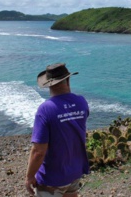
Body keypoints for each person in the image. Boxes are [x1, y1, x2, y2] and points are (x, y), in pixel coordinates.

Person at [26, 63, 90, 197]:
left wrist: (29, 176)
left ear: (48, 84)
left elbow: (38, 151)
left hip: (52, 178)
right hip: (74, 171)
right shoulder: (81, 102)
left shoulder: (45, 110)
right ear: (68, 79)